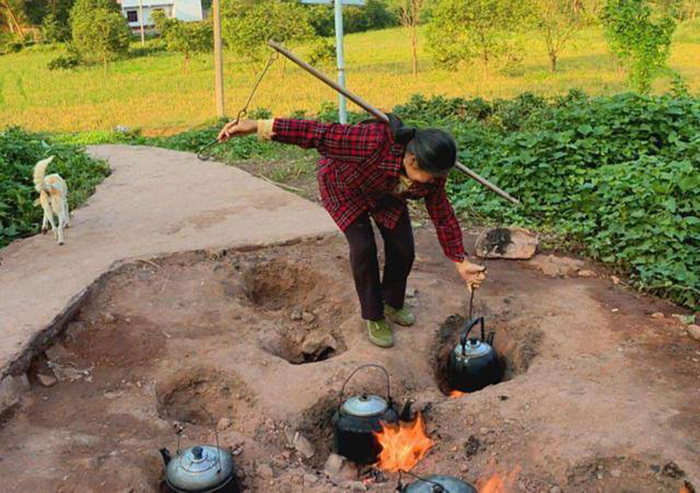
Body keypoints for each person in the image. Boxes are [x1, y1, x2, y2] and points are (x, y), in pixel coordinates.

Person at [218, 114, 486, 348]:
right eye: (433, 176)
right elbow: (316, 133)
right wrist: (258, 126)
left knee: (403, 248)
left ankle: (392, 303)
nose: (438, 181)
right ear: (413, 160)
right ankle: (374, 316)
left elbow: (442, 214)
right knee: (363, 248)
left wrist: (459, 260)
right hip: (344, 188)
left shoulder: (432, 175)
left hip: (386, 195)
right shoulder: (372, 140)